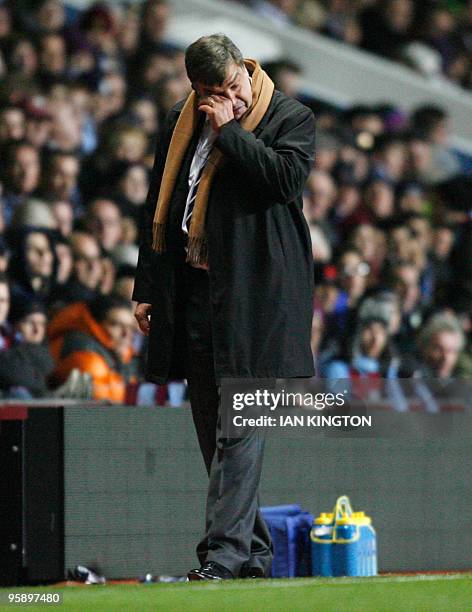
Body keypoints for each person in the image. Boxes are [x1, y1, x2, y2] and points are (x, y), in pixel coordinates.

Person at [133, 34, 316, 580]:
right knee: (213, 432)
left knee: (239, 428)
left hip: (257, 300)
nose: (226, 98)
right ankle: (253, 555)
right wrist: (147, 285)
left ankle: (222, 557)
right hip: (194, 293)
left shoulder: (290, 116)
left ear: (244, 69)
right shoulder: (179, 119)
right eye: (213, 93)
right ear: (195, 88)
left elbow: (286, 180)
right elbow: (159, 202)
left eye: (233, 85)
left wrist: (230, 133)